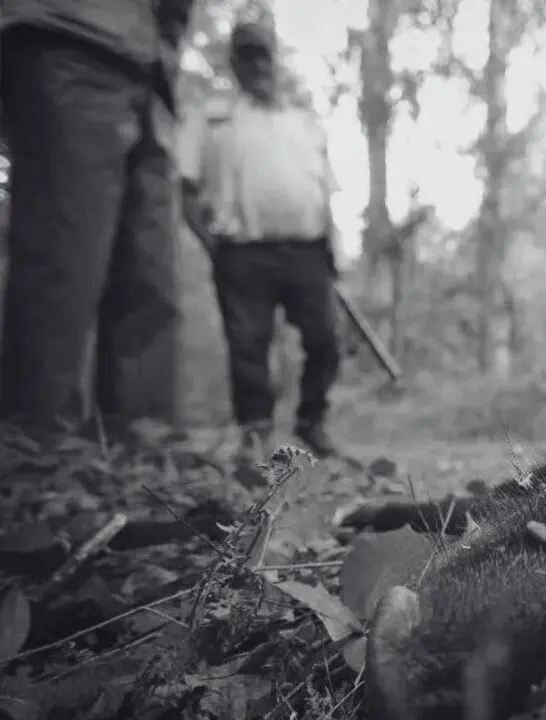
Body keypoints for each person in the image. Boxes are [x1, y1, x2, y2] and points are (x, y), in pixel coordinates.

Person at [0, 0, 196, 442]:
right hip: (67, 32)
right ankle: (38, 442)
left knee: (150, 272)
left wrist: (166, 46)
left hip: (149, 67)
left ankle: (142, 439)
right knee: (64, 256)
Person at [178, 20, 343, 459]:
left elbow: (323, 192)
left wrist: (332, 249)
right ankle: (255, 432)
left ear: (275, 59)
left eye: (263, 56)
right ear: (234, 63)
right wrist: (209, 242)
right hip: (241, 252)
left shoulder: (303, 122)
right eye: (247, 57)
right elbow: (185, 187)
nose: (258, 66)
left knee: (325, 338)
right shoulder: (212, 117)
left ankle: (311, 422)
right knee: (248, 345)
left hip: (307, 251)